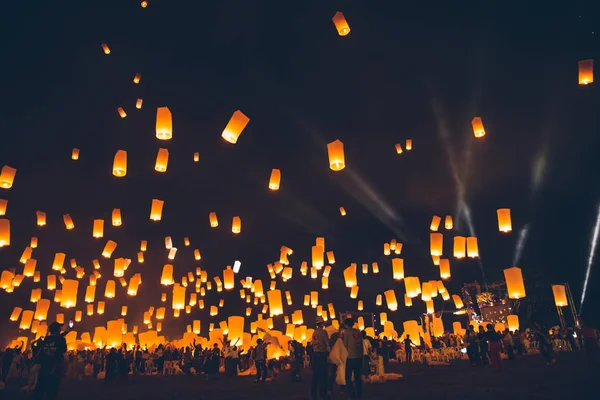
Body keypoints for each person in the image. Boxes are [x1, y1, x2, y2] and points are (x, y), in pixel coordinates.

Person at [34, 322, 67, 400]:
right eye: (59, 328)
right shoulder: (61, 339)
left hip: (44, 366)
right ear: (58, 329)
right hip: (55, 366)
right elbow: (63, 350)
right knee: (52, 389)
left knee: (41, 387)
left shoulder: (46, 339)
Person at [342, 317, 363, 399]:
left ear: (346, 325)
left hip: (350, 357)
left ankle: (351, 394)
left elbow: (345, 345)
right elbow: (360, 345)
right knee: (358, 377)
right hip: (358, 357)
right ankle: (359, 394)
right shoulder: (358, 332)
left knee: (348, 377)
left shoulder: (346, 332)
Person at [310, 316, 330, 400]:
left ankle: (313, 393)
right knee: (323, 375)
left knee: (315, 375)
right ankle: (322, 394)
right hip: (322, 355)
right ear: (322, 323)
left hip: (315, 355)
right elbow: (327, 344)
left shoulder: (314, 333)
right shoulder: (323, 332)